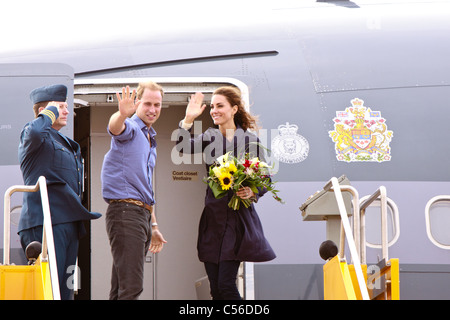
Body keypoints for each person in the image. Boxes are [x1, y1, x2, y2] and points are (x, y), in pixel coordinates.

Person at [176, 86, 276, 300]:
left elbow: (266, 178)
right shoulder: (209, 136)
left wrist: (252, 191)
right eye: (212, 106)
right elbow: (183, 147)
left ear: (234, 109)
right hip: (212, 220)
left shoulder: (250, 141)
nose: (214, 110)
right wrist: (188, 120)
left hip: (236, 221)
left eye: (220, 106)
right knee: (215, 290)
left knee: (226, 285)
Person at [18, 84, 102, 300]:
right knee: (47, 290)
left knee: (64, 292)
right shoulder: (34, 135)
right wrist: (49, 112)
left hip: (68, 223)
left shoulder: (63, 141)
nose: (66, 111)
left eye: (66, 106)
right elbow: (36, 131)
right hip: (45, 222)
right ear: (42, 111)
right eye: (60, 107)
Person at [101, 82, 167, 300]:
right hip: (125, 213)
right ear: (137, 102)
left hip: (140, 214)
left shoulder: (150, 137)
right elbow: (115, 128)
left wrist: (153, 224)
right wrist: (121, 114)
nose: (152, 109)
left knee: (121, 287)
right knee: (132, 287)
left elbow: (144, 186)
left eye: (157, 104)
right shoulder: (131, 128)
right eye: (147, 103)